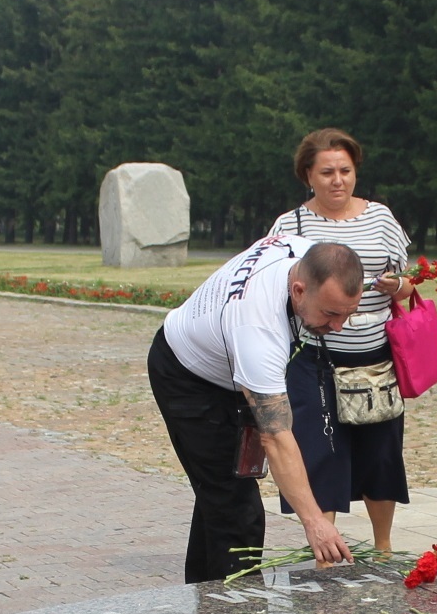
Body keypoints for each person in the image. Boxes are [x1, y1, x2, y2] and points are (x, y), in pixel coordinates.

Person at [149, 235, 366, 583]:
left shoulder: (302, 250)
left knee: (220, 494)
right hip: (187, 377)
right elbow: (277, 436)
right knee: (239, 513)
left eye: (347, 314)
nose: (338, 326)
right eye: (330, 313)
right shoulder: (258, 327)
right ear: (298, 290)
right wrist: (314, 522)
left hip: (228, 365)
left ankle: (204, 603)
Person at [265, 129, 414, 551]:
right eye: (326, 172)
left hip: (375, 358)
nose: (337, 181)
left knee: (381, 455)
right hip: (315, 357)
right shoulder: (290, 224)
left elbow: (409, 282)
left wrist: (397, 285)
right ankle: (326, 552)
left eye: (345, 171)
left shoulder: (380, 218)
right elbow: (278, 287)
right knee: (320, 453)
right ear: (307, 175)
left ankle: (383, 546)